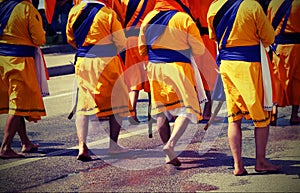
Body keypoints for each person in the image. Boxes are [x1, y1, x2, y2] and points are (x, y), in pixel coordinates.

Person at [207, 0, 282, 175]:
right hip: (251, 66)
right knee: (261, 116)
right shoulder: (252, 6)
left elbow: (213, 36)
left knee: (234, 117)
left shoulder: (214, 7)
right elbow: (269, 38)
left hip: (227, 65)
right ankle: (261, 161)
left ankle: (238, 165)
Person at [138, 0, 206, 166]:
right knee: (189, 108)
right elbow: (199, 49)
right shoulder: (183, 18)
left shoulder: (148, 18)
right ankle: (171, 144)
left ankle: (168, 153)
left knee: (161, 110)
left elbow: (141, 49)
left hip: (155, 68)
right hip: (178, 67)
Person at [66, 0, 133, 161]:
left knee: (84, 103)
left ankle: (82, 145)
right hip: (107, 62)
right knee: (116, 104)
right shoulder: (108, 13)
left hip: (84, 62)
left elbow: (70, 38)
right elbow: (121, 42)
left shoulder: (74, 11)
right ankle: (113, 146)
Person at [0, 0, 46, 158]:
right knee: (18, 104)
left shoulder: (2, 5)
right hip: (19, 61)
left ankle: (26, 142)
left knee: (15, 104)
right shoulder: (27, 8)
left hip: (2, 60)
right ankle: (5, 147)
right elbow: (39, 39)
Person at [119, 0, 156, 124]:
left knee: (134, 79)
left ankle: (131, 112)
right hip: (145, 39)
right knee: (150, 77)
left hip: (129, 39)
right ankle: (152, 113)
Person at [267, 0, 300, 126]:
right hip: (297, 47)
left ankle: (274, 111)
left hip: (279, 46)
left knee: (277, 78)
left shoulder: (273, 3)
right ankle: (294, 114)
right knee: (297, 80)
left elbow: (269, 26)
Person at [187, 0, 218, 121]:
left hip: (199, 37)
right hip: (200, 37)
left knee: (200, 74)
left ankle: (202, 110)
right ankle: (205, 110)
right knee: (204, 75)